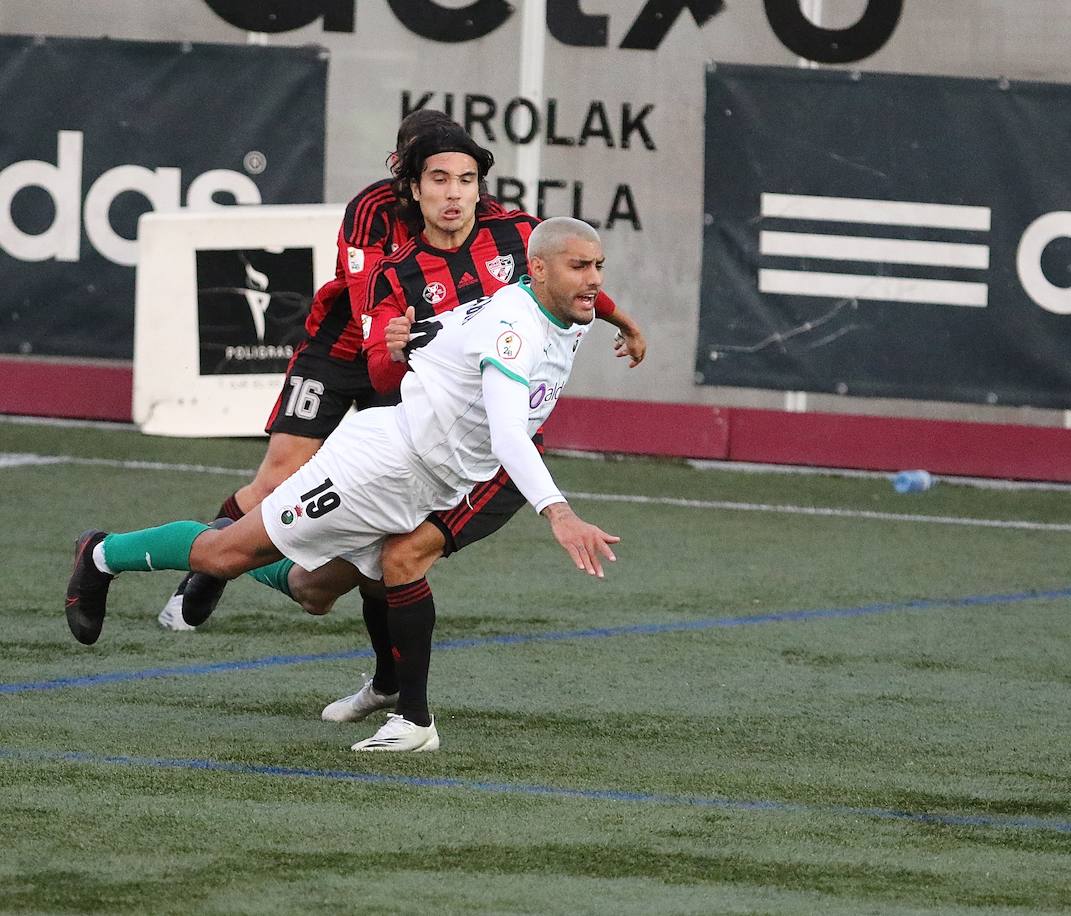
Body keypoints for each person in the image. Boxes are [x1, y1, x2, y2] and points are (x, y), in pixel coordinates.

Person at [66, 216, 619, 755]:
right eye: (579, 266)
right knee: (224, 554)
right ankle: (102, 554)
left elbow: (448, 328)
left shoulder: (567, 312)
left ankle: (397, 697)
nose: (594, 278)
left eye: (598, 265)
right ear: (538, 269)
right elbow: (507, 435)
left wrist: (630, 328)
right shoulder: (514, 327)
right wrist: (559, 513)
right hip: (378, 469)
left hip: (429, 483)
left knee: (316, 590)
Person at [159, 111, 647, 630]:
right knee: (276, 480)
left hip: (421, 357)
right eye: (435, 176)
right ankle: (210, 566)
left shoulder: (496, 222)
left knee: (363, 558)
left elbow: (551, 272)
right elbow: (372, 299)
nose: (452, 191)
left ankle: (388, 678)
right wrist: (394, 344)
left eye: (462, 178)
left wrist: (622, 320)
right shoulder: (371, 212)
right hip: (352, 342)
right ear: (408, 177)